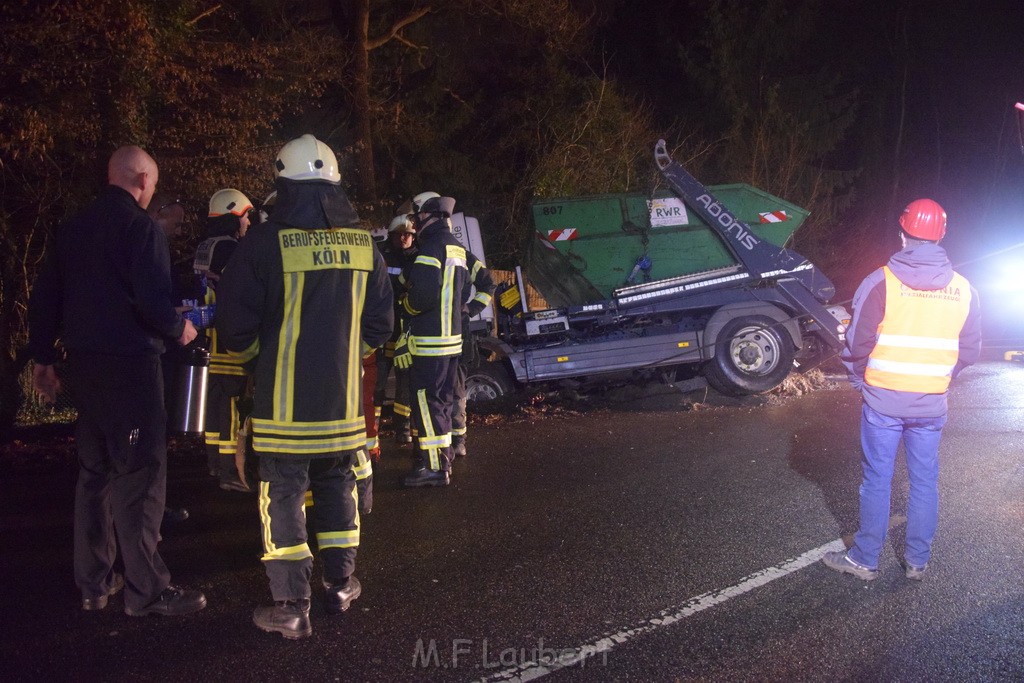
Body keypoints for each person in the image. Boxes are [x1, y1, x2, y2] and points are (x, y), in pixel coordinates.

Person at [215, 134, 393, 639]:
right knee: (338, 488)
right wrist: (343, 359)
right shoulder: (365, 246)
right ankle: (341, 584)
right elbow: (380, 328)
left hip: (282, 412)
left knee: (283, 498)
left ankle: (292, 607)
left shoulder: (262, 245)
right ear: (335, 184)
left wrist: (261, 364)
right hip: (342, 412)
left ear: (282, 183)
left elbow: (235, 331)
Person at [27, 145, 207, 616]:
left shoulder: (73, 228)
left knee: (95, 476)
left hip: (85, 368)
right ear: (144, 180)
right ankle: (147, 592)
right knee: (141, 478)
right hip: (130, 368)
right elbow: (152, 303)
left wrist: (43, 357)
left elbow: (45, 297)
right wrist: (179, 328)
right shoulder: (140, 228)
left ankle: (94, 583)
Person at [823, 198, 981, 581]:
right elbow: (971, 351)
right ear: (942, 235)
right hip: (930, 404)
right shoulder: (964, 290)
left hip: (883, 402)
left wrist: (861, 380)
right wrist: (939, 378)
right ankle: (917, 561)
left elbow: (856, 345)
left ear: (903, 234)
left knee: (877, 478)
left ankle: (865, 560)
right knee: (924, 481)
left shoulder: (881, 282)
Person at [395, 194, 484, 487]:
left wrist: (404, 309)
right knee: (442, 403)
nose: (415, 222)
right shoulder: (457, 248)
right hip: (452, 343)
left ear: (428, 216)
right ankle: (442, 462)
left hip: (429, 343)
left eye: (417, 216)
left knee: (426, 402)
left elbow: (421, 296)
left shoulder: (430, 248)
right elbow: (468, 286)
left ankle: (434, 468)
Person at [195, 188, 256, 491]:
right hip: (228, 340)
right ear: (234, 216)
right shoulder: (231, 249)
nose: (248, 223)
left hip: (207, 339)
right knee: (232, 406)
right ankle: (232, 471)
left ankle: (214, 464)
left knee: (214, 405)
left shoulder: (205, 247)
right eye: (245, 216)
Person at [147, 192, 195, 525]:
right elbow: (151, 303)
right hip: (148, 356)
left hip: (112, 359)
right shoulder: (146, 244)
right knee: (150, 441)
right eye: (174, 223)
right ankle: (149, 514)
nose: (178, 232)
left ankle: (148, 510)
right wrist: (178, 323)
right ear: (156, 212)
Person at [374, 214, 418, 446]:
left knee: (405, 384)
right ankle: (374, 426)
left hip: (404, 332)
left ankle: (403, 430)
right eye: (400, 234)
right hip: (383, 330)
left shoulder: (418, 258)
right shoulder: (381, 255)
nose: (404, 238)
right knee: (377, 382)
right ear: (391, 236)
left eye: (408, 234)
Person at [451, 251, 495, 458]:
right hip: (436, 331)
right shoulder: (429, 251)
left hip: (459, 331)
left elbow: (488, 284)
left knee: (456, 389)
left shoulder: (464, 256)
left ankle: (458, 440)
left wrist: (470, 307)